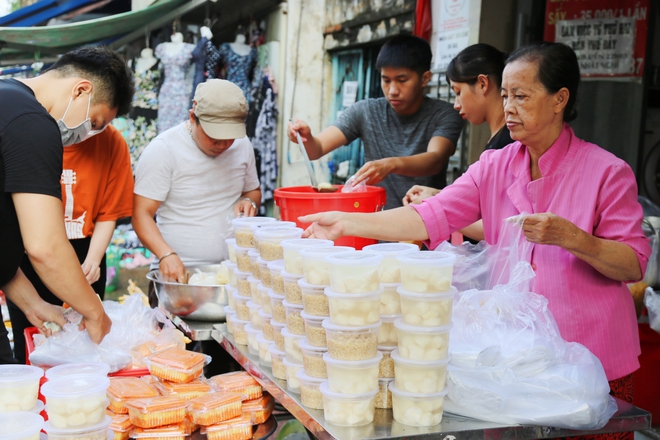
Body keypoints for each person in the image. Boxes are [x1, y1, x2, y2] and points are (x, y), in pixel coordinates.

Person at [300, 42, 650, 415]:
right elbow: (429, 215)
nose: (508, 107)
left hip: (590, 360)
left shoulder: (606, 171)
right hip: (516, 357)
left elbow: (633, 265)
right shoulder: (494, 165)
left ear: (559, 99)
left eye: (521, 96)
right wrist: (347, 221)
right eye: (504, 96)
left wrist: (573, 238)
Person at [0, 46, 133, 362]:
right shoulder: (33, 123)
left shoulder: (7, 96)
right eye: (96, 121)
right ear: (81, 90)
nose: (90, 133)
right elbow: (44, 247)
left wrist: (33, 304)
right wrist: (95, 312)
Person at [287, 34, 463, 210]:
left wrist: (390, 164)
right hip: (375, 224)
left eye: (402, 80)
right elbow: (316, 149)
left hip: (426, 226)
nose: (392, 90)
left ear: (425, 78)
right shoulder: (366, 111)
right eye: (386, 80)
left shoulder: (445, 113)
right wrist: (306, 137)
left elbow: (435, 160)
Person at [133, 79, 261, 284]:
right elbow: (141, 215)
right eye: (215, 137)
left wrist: (250, 202)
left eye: (230, 137)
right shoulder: (163, 150)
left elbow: (252, 190)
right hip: (177, 276)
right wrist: (166, 254)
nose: (223, 145)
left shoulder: (242, 145)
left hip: (233, 274)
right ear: (193, 117)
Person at [404, 43, 512, 209]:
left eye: (458, 92)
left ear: (482, 83)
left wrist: (434, 204)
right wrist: (438, 195)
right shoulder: (500, 138)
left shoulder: (508, 144)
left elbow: (497, 219)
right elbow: (482, 204)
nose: (456, 104)